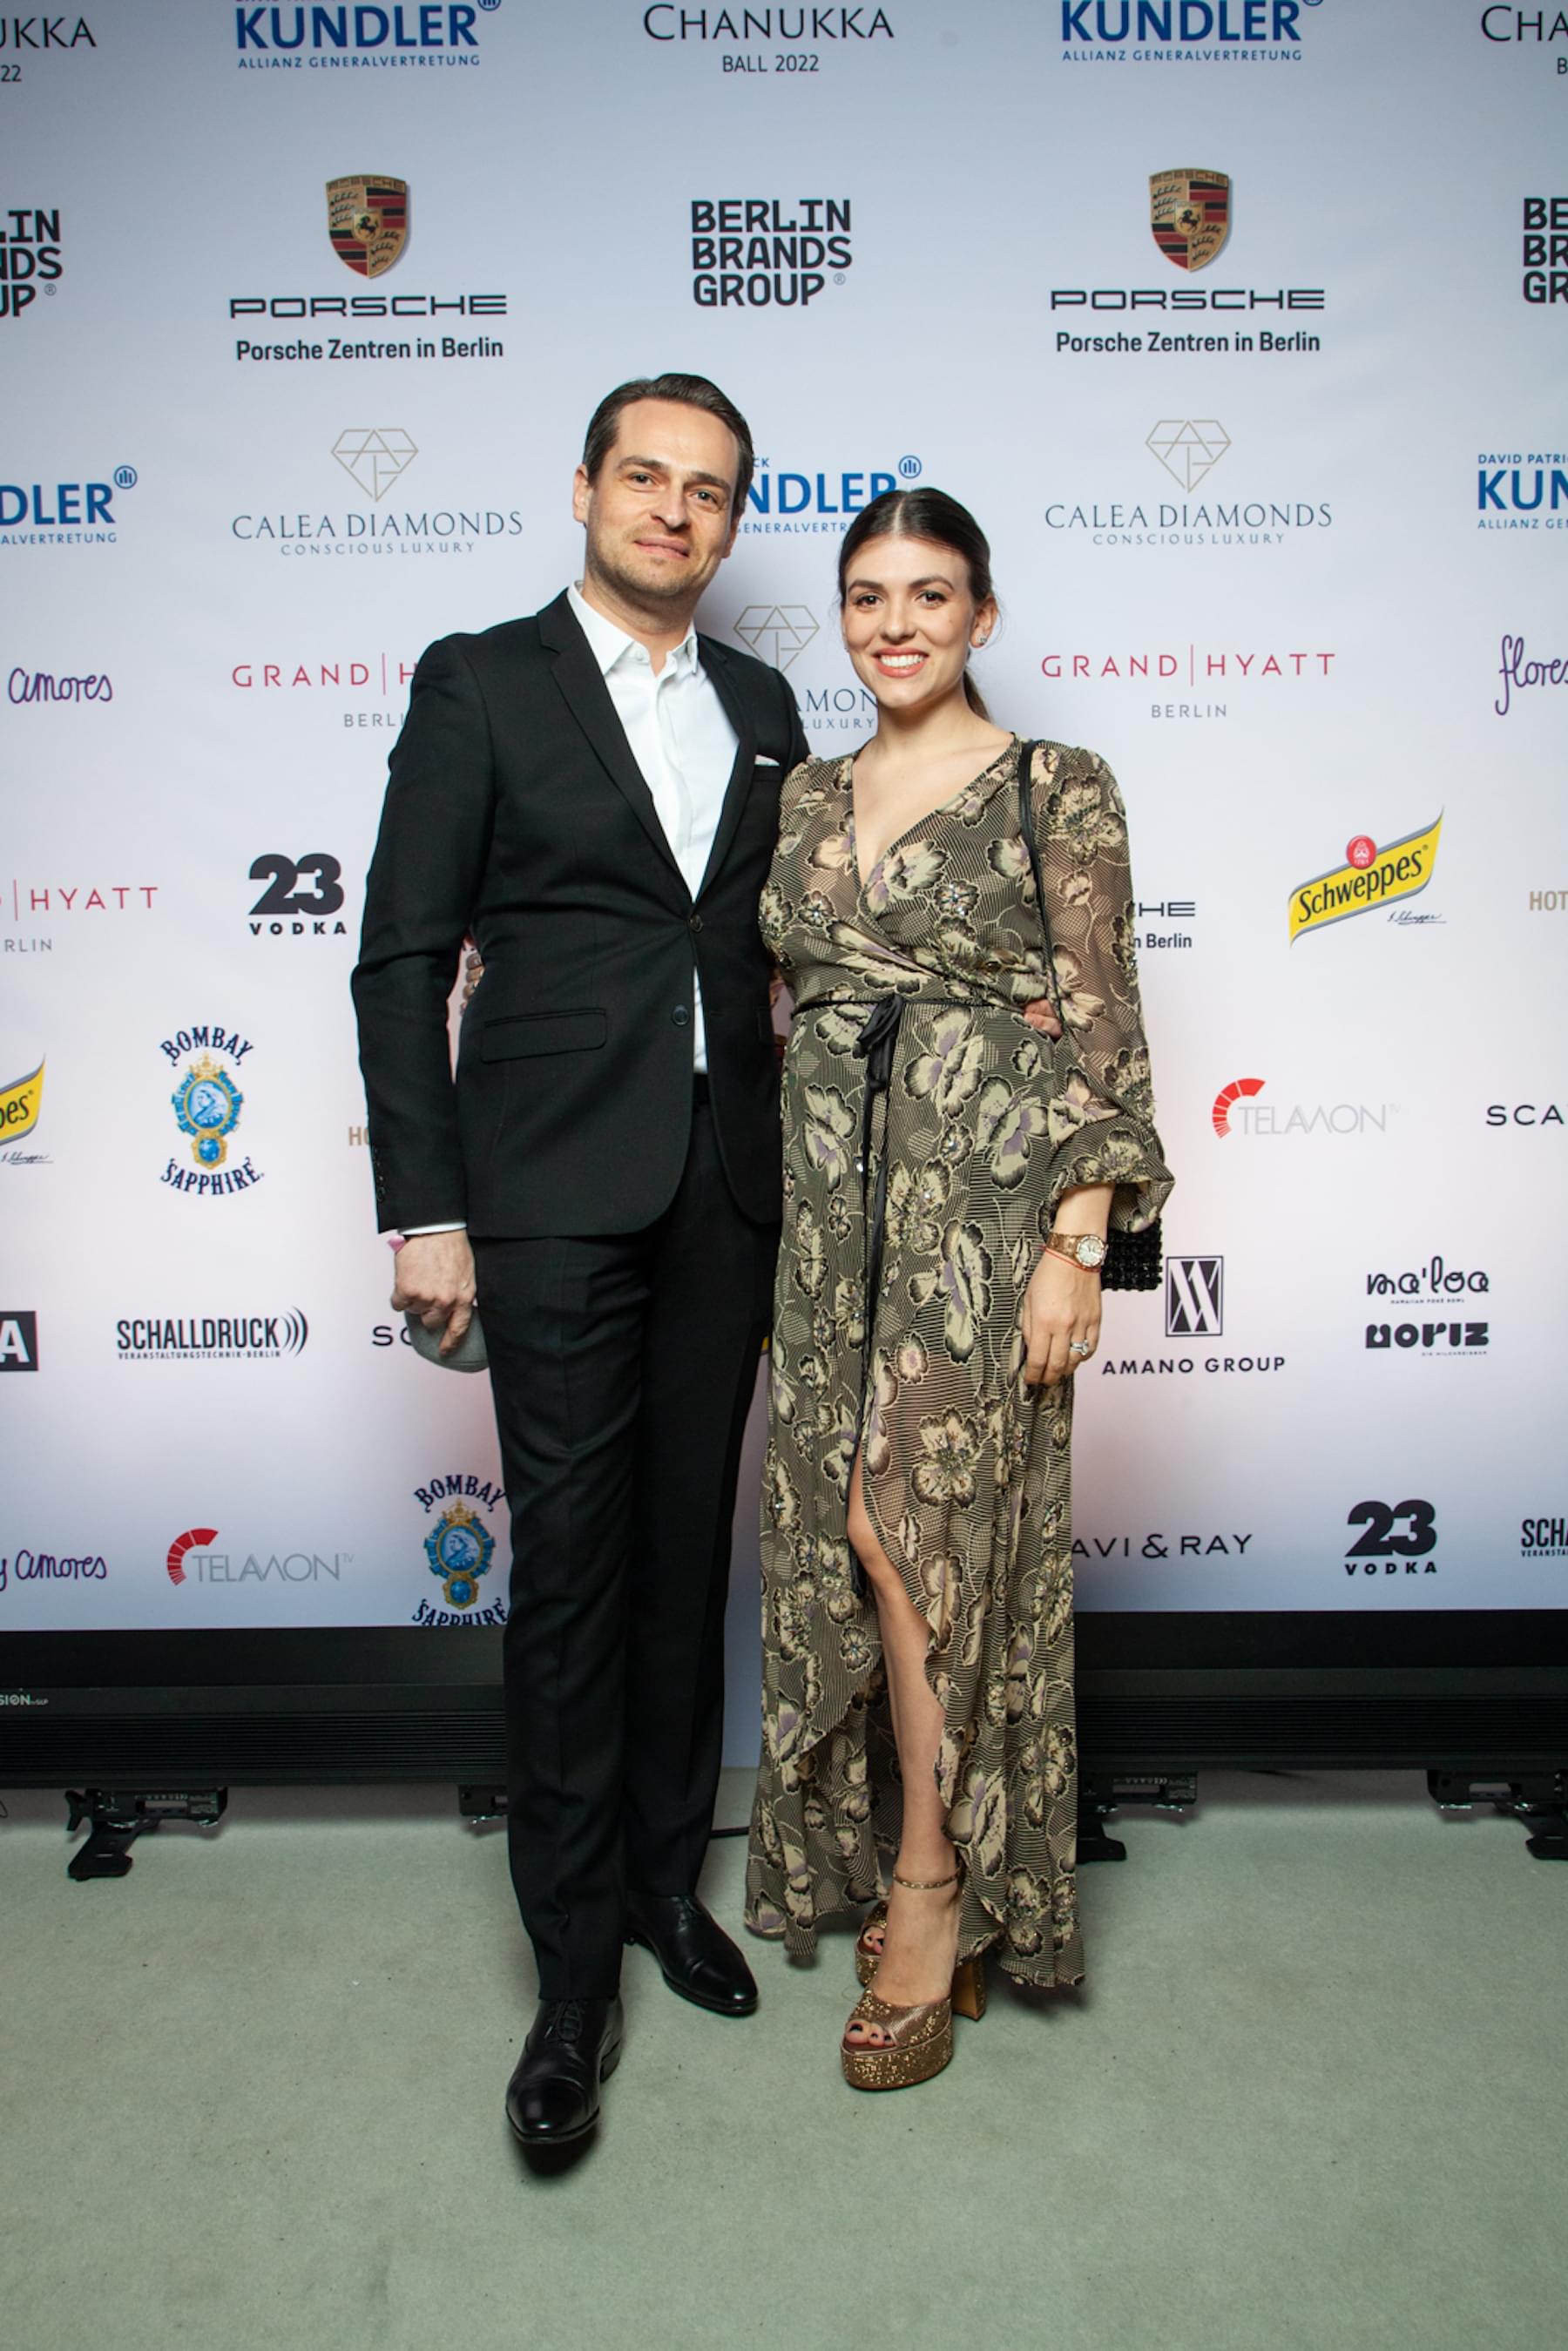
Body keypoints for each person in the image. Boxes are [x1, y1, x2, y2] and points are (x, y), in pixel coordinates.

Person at [352, 373, 809, 2150]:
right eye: (646, 477)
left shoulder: (764, 705)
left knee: (686, 1556)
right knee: (569, 1573)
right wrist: (426, 1209)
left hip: (727, 1191)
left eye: (708, 490)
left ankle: (659, 1884)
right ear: (586, 489)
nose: (674, 510)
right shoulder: (481, 680)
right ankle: (566, 1977)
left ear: (731, 522)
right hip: (543, 1188)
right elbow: (402, 959)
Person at [744, 487, 1173, 2090]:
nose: (896, 623)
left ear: (982, 617)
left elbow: (1102, 1016)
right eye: (868, 596)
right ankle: (920, 1855)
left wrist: (1080, 1238)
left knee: (908, 1529)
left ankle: (933, 1885)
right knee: (849, 1532)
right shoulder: (806, 792)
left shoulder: (1057, 784)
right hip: (830, 1219)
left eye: (931, 595)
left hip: (984, 1212)